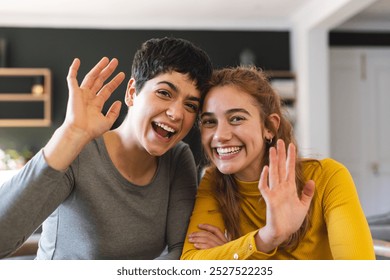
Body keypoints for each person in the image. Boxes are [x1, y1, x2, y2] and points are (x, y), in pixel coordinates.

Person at [0, 37, 212, 260]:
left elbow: (181, 253)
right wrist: (69, 135)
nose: (177, 114)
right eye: (164, 93)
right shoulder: (80, 151)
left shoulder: (177, 158)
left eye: (190, 105)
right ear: (132, 92)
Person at [180, 66, 375, 260]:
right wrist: (267, 237)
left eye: (237, 118)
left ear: (269, 127)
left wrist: (233, 255)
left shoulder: (327, 177)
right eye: (209, 122)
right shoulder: (213, 182)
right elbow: (191, 266)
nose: (220, 135)